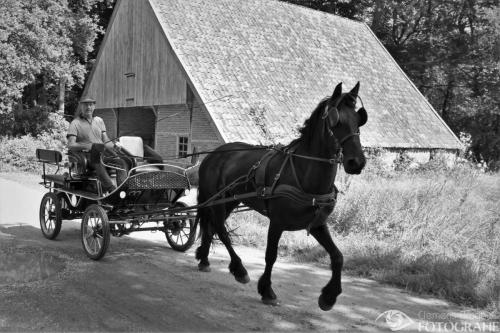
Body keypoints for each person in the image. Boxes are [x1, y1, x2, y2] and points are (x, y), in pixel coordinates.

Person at [67, 97, 128, 194]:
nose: (88, 107)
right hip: (87, 157)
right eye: (86, 104)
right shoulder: (75, 123)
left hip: (102, 154)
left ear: (94, 106)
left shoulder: (99, 121)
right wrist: (87, 145)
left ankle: (123, 190)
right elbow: (71, 145)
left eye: (91, 104)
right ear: (81, 106)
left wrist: (114, 146)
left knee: (121, 162)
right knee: (97, 159)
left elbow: (106, 141)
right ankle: (112, 190)